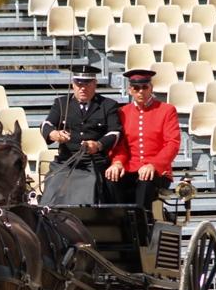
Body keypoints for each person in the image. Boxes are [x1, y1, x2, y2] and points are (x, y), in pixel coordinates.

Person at [40, 65, 122, 205]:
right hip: (66, 161)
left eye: (87, 83)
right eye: (79, 84)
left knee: (89, 186)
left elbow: (115, 133)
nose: (82, 88)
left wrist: (98, 145)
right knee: (53, 185)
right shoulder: (61, 103)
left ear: (95, 84)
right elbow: (45, 125)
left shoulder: (108, 105)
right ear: (73, 84)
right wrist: (54, 134)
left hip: (93, 162)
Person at [105, 69, 181, 209]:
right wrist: (117, 162)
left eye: (144, 87)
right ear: (130, 90)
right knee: (111, 179)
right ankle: (118, 224)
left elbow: (172, 143)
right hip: (130, 168)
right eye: (136, 88)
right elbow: (120, 144)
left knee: (145, 182)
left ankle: (142, 225)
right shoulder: (123, 112)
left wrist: (154, 165)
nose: (141, 91)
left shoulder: (166, 110)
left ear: (151, 88)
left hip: (157, 171)